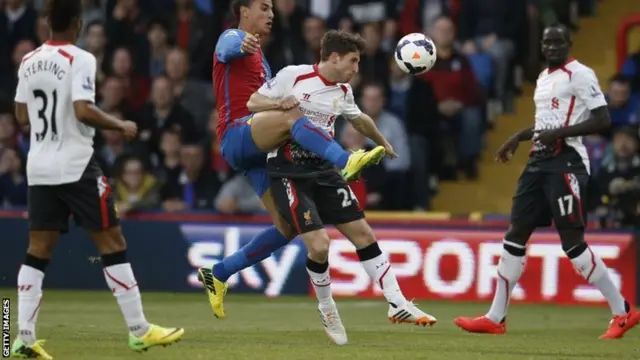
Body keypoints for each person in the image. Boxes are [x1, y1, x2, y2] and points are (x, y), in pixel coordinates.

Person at [10, 0, 184, 358]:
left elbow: (21, 115)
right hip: (75, 165)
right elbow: (83, 110)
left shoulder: (28, 62)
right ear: (77, 22)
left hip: (39, 166)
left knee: (37, 252)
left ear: (46, 22)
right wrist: (120, 124)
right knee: (112, 242)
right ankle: (139, 330)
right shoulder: (81, 59)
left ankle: (19, 337)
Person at [198, 0, 385, 319]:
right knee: (291, 116)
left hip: (258, 149)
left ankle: (218, 273)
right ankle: (344, 160)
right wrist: (239, 41)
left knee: (287, 226)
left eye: (272, 10)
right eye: (264, 8)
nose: (270, 15)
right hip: (238, 134)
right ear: (244, 11)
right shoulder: (234, 38)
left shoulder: (263, 60)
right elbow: (225, 47)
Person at [454, 23, 640, 339]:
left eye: (558, 42)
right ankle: (496, 317)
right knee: (515, 235)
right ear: (541, 47)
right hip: (538, 162)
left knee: (572, 242)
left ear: (569, 44)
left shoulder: (580, 74)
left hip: (565, 161)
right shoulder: (543, 78)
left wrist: (560, 134)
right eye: (547, 43)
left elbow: (603, 119)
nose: (552, 47)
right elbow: (545, 125)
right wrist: (516, 137)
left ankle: (623, 311)